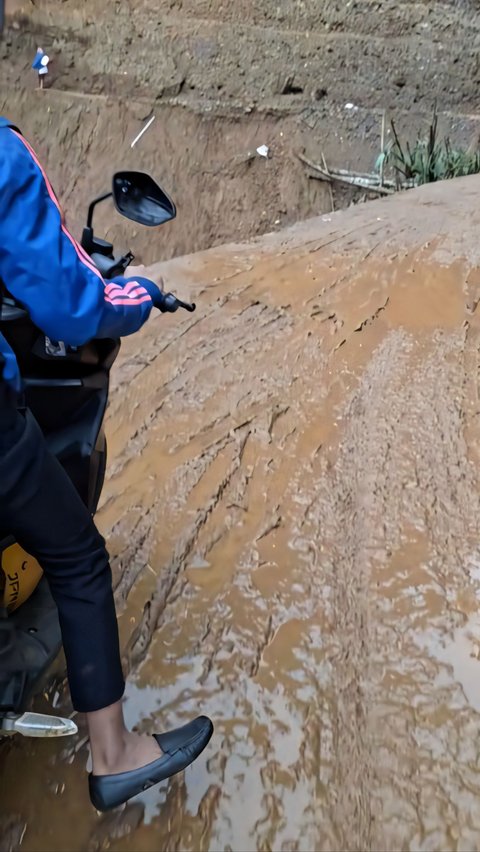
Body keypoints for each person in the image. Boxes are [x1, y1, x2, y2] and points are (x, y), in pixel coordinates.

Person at [0, 118, 213, 811]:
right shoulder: (4, 153)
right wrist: (142, 295)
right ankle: (114, 754)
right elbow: (68, 305)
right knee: (79, 558)